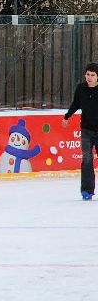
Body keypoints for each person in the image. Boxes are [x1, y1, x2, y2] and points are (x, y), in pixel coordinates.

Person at [63, 63, 98, 200]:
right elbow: (76, 103)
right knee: (87, 159)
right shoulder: (81, 88)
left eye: (92, 75)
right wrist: (67, 116)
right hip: (86, 130)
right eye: (87, 74)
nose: (89, 77)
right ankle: (87, 190)